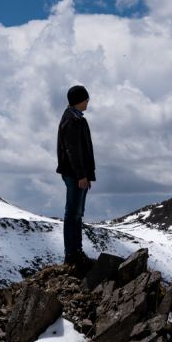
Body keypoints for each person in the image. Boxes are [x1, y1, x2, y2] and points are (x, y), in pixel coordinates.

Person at [56, 85, 96, 269]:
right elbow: (73, 151)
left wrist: (87, 175)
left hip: (78, 175)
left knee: (77, 214)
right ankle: (72, 254)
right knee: (73, 214)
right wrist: (81, 174)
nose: (88, 102)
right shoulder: (72, 120)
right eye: (86, 99)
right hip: (74, 174)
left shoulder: (76, 119)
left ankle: (76, 252)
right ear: (79, 100)